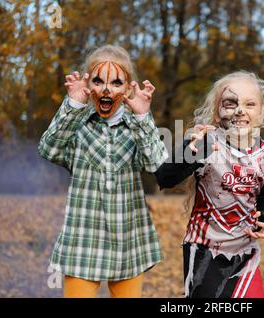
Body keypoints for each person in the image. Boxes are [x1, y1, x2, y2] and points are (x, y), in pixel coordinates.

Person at [38, 45, 168, 298]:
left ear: (128, 88)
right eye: (98, 80)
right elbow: (48, 149)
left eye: (116, 83)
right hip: (82, 239)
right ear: (88, 84)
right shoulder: (77, 125)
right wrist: (73, 104)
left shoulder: (136, 127)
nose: (106, 89)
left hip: (128, 241)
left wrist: (143, 117)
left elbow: (156, 166)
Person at [155, 71, 264, 298]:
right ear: (217, 110)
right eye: (231, 104)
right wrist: (190, 153)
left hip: (246, 253)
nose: (240, 111)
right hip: (204, 252)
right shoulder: (206, 143)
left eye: (249, 104)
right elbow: (164, 178)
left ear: (261, 111)